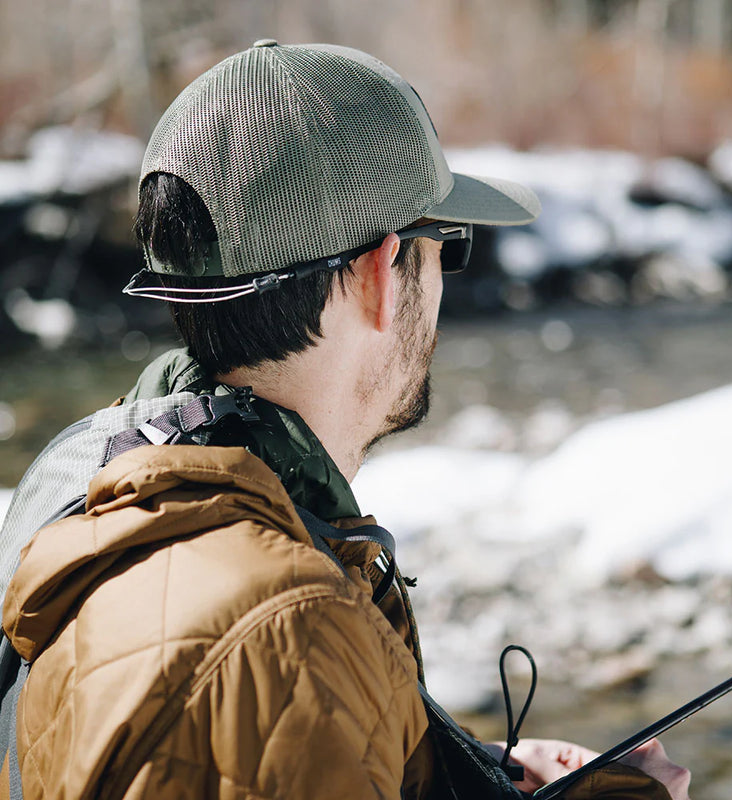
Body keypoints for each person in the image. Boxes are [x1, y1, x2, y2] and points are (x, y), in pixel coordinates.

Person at [0, 41, 691, 799]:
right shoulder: (277, 640)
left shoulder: (98, 466)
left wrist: (439, 768)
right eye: (442, 247)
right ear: (378, 278)